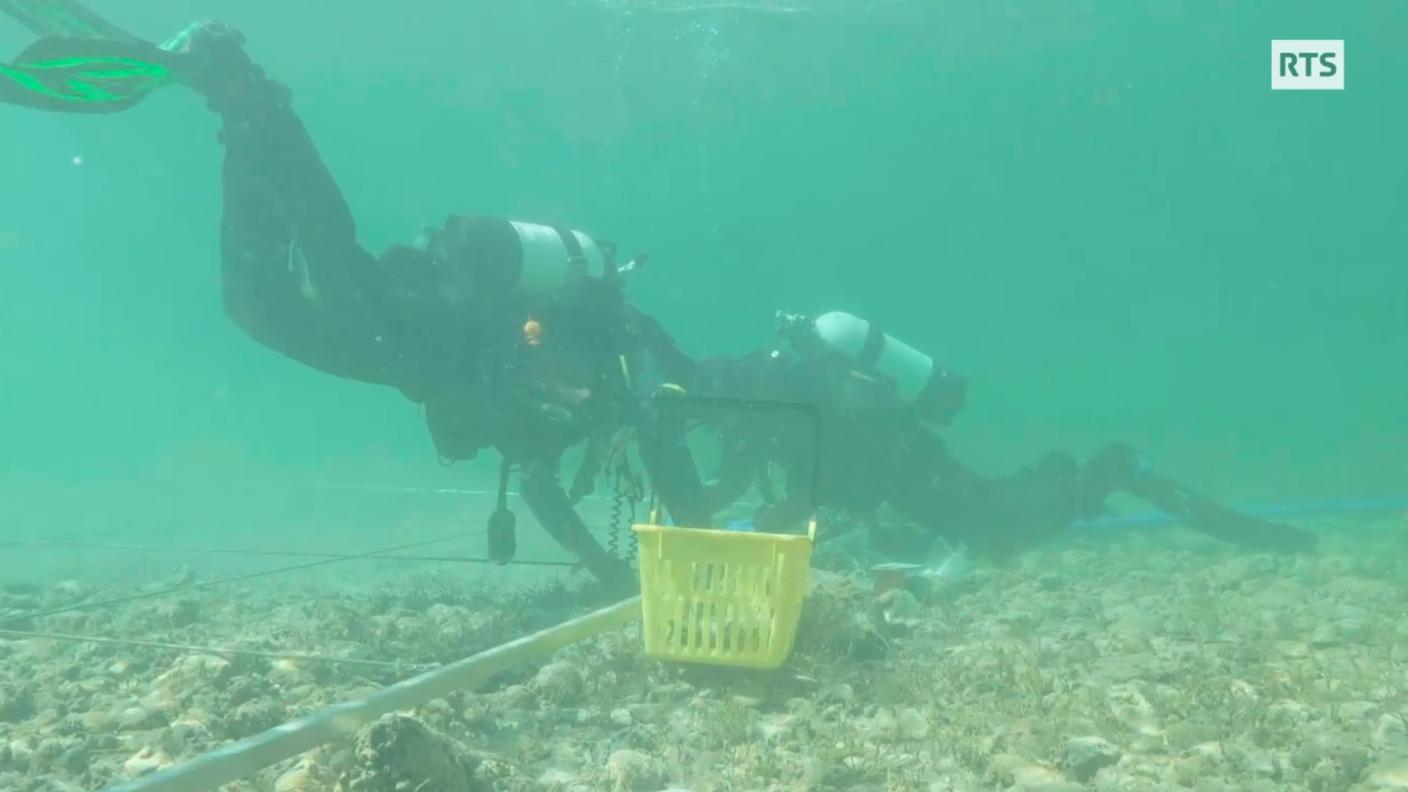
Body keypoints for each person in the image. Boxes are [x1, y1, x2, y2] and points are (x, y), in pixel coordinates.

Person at [5, 18, 712, 587]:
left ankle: (240, 114)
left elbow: (536, 480)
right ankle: (251, 97)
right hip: (456, 336)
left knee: (257, 306)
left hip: (430, 365)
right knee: (341, 286)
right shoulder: (632, 365)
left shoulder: (595, 401)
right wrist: (700, 550)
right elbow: (661, 429)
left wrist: (606, 567)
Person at [688, 310, 1319, 559]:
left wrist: (765, 518)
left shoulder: (771, 400)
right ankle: (1057, 473)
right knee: (986, 523)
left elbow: (805, 485)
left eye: (703, 418)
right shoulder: (755, 405)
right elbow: (748, 485)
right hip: (895, 471)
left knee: (993, 525)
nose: (710, 430)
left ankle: (1109, 468)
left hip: (909, 465)